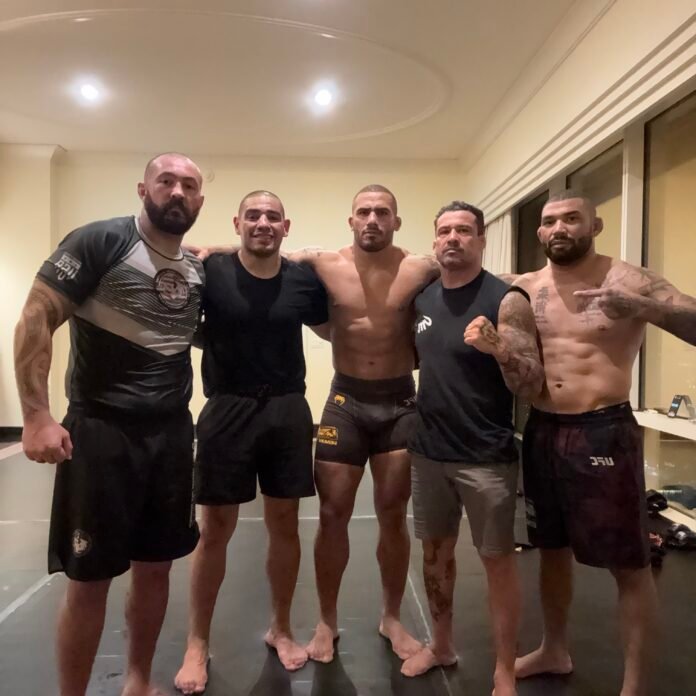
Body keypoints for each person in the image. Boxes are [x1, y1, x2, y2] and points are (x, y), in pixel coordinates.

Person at [190, 185, 440, 663]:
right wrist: (212, 247)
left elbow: (469, 273)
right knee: (331, 514)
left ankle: (391, 617)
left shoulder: (420, 267)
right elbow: (266, 248)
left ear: (396, 221)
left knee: (393, 514)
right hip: (344, 401)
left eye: (382, 212)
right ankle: (326, 622)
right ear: (351, 220)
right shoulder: (323, 264)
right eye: (364, 211)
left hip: (399, 402)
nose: (372, 219)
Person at [13, 153, 206, 696]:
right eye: (165, 181)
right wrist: (35, 415)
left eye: (189, 185)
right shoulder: (99, 241)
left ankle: (138, 681)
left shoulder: (196, 269)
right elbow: (36, 317)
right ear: (143, 189)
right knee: (90, 578)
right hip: (101, 433)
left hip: (171, 435)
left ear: (199, 200)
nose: (177, 192)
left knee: (156, 568)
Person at [512, 189, 696, 696]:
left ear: (594, 226)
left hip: (603, 429)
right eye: (551, 221)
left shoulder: (629, 280)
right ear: (540, 231)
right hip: (542, 428)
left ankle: (634, 686)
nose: (559, 228)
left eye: (572, 219)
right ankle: (554, 649)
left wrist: (639, 307)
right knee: (550, 549)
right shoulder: (526, 287)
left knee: (630, 563)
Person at [174, 191, 328, 694]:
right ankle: (197, 642)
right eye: (254, 216)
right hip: (227, 408)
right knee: (214, 530)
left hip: (287, 409)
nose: (263, 223)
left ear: (286, 226)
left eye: (273, 217)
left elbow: (335, 326)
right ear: (238, 222)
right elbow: (187, 320)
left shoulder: (303, 278)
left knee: (285, 525)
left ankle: (280, 628)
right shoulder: (211, 270)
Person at [399, 202, 543, 696]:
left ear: (481, 240)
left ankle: (505, 669)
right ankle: (441, 645)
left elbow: (531, 382)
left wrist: (499, 348)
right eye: (444, 230)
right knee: (434, 555)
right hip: (429, 451)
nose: (453, 238)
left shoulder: (506, 299)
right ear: (434, 240)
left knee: (497, 562)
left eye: (464, 230)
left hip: (486, 456)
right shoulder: (423, 299)